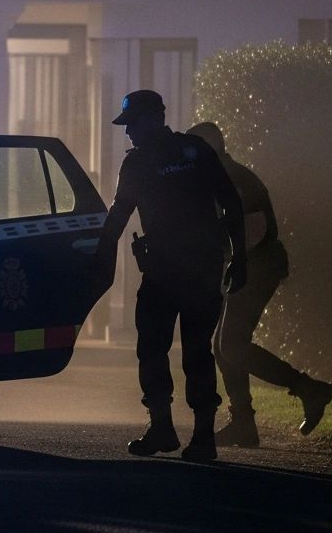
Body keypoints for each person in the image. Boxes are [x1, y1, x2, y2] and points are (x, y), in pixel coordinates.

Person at [97, 90, 246, 463]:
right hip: (178, 268)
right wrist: (100, 254)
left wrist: (240, 257)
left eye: (132, 124)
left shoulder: (177, 155)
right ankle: (169, 430)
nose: (128, 132)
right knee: (164, 348)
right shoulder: (165, 157)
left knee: (183, 350)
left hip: (184, 269)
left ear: (154, 118)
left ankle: (197, 435)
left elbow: (230, 202)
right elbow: (119, 213)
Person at [185, 122, 332, 446]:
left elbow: (254, 230)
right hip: (251, 266)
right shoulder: (220, 175)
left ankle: (310, 390)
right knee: (224, 349)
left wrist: (229, 260)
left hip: (257, 266)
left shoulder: (234, 178)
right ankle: (244, 424)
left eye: (193, 149)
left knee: (232, 346)